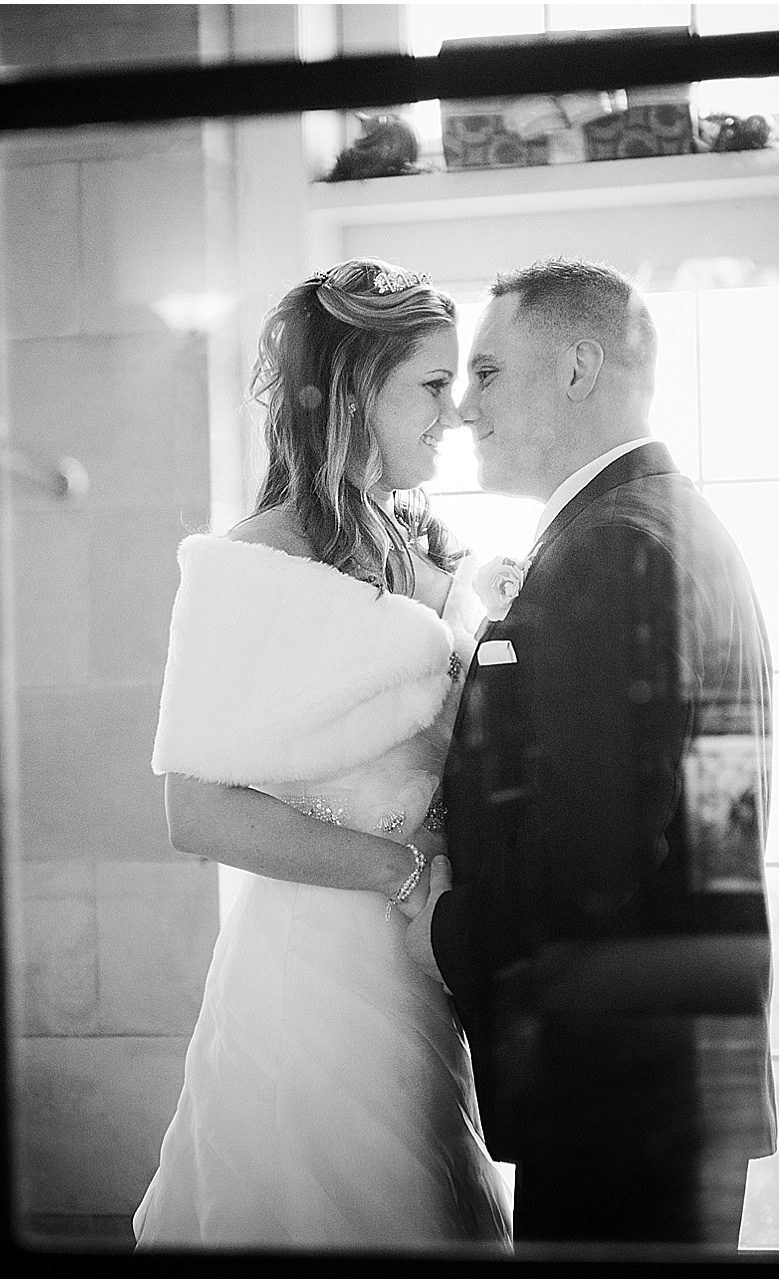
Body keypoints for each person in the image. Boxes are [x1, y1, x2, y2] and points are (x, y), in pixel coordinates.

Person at [133, 257, 512, 1250]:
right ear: (353, 392)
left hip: (426, 970)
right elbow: (194, 813)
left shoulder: (417, 541)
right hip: (314, 979)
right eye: (432, 384)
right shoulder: (247, 564)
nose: (455, 412)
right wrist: (406, 874)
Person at [404, 258, 779, 1247]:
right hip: (660, 1075)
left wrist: (447, 928)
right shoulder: (662, 520)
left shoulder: (613, 546)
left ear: (579, 368)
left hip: (620, 1085)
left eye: (487, 373)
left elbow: (593, 841)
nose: (464, 409)